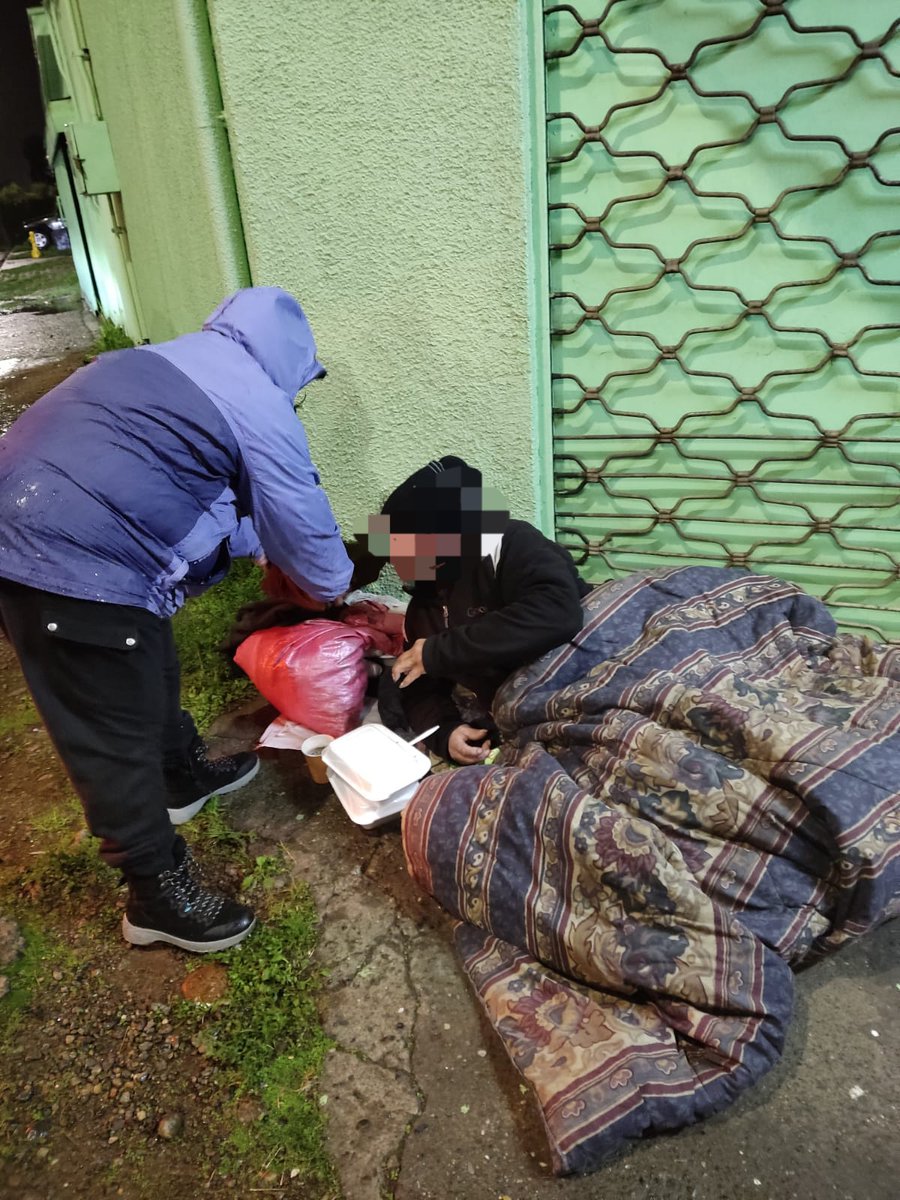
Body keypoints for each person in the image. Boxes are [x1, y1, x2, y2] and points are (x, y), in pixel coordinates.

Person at [0, 287, 352, 953]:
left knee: (144, 648)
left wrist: (257, 548)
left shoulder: (159, 363)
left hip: (37, 518)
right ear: (288, 364)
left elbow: (187, 492)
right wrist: (324, 593)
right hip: (65, 558)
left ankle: (179, 775)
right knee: (109, 737)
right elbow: (317, 554)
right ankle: (158, 896)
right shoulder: (257, 402)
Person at [367, 457, 590, 763]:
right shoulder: (423, 606)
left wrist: (438, 652)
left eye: (404, 546)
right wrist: (446, 733)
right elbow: (417, 686)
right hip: (513, 710)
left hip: (576, 679)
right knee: (391, 690)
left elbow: (557, 610)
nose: (395, 562)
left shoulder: (509, 544)